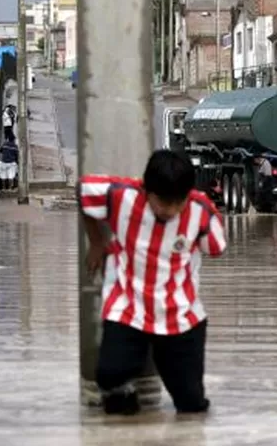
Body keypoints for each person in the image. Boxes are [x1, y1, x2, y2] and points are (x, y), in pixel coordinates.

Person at [78, 150, 227, 416]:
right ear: (146, 190)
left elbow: (216, 247)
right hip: (129, 309)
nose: (170, 211)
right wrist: (97, 241)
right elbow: (83, 191)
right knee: (109, 376)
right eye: (162, 202)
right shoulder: (121, 196)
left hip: (181, 316)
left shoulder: (200, 210)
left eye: (177, 203)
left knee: (191, 405)